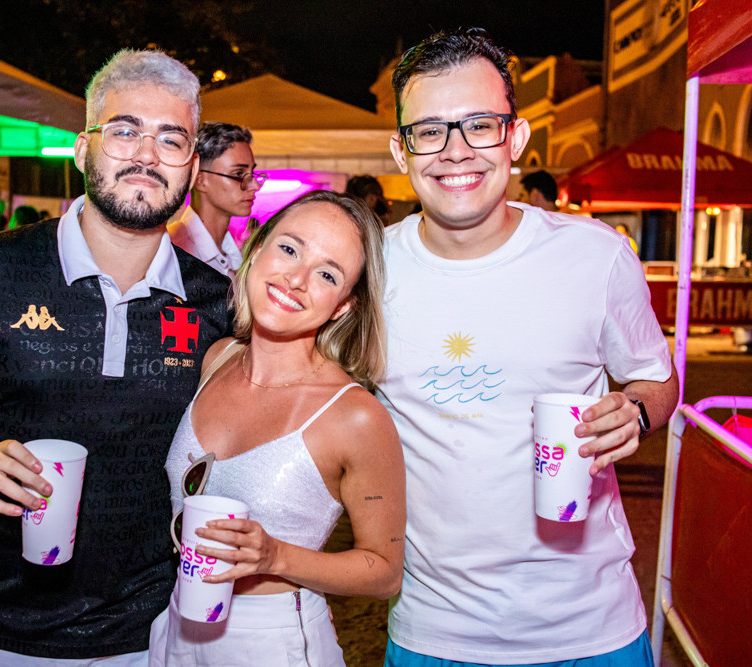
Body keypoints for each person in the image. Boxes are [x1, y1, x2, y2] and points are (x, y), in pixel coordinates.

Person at [0, 48, 233, 665]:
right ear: (83, 149)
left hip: (146, 637)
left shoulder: (217, 302)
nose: (147, 155)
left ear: (192, 169)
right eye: (125, 131)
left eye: (171, 139)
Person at [381, 28, 679, 666]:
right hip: (434, 630)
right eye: (429, 131)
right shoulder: (368, 270)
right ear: (401, 151)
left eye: (479, 126)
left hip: (592, 627)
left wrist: (636, 412)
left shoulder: (596, 254)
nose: (455, 151)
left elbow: (657, 379)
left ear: (515, 138)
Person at [149, 189, 405, 665]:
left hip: (273, 641)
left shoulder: (355, 415)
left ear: (343, 306)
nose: (297, 279)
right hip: (178, 623)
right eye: (289, 249)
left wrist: (275, 556)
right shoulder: (216, 359)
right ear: (257, 248)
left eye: (327, 274)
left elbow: (384, 572)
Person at [167, 121, 265, 277]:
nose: (255, 185)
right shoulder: (171, 251)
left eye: (252, 173)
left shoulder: (234, 256)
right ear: (199, 179)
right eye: (238, 174)